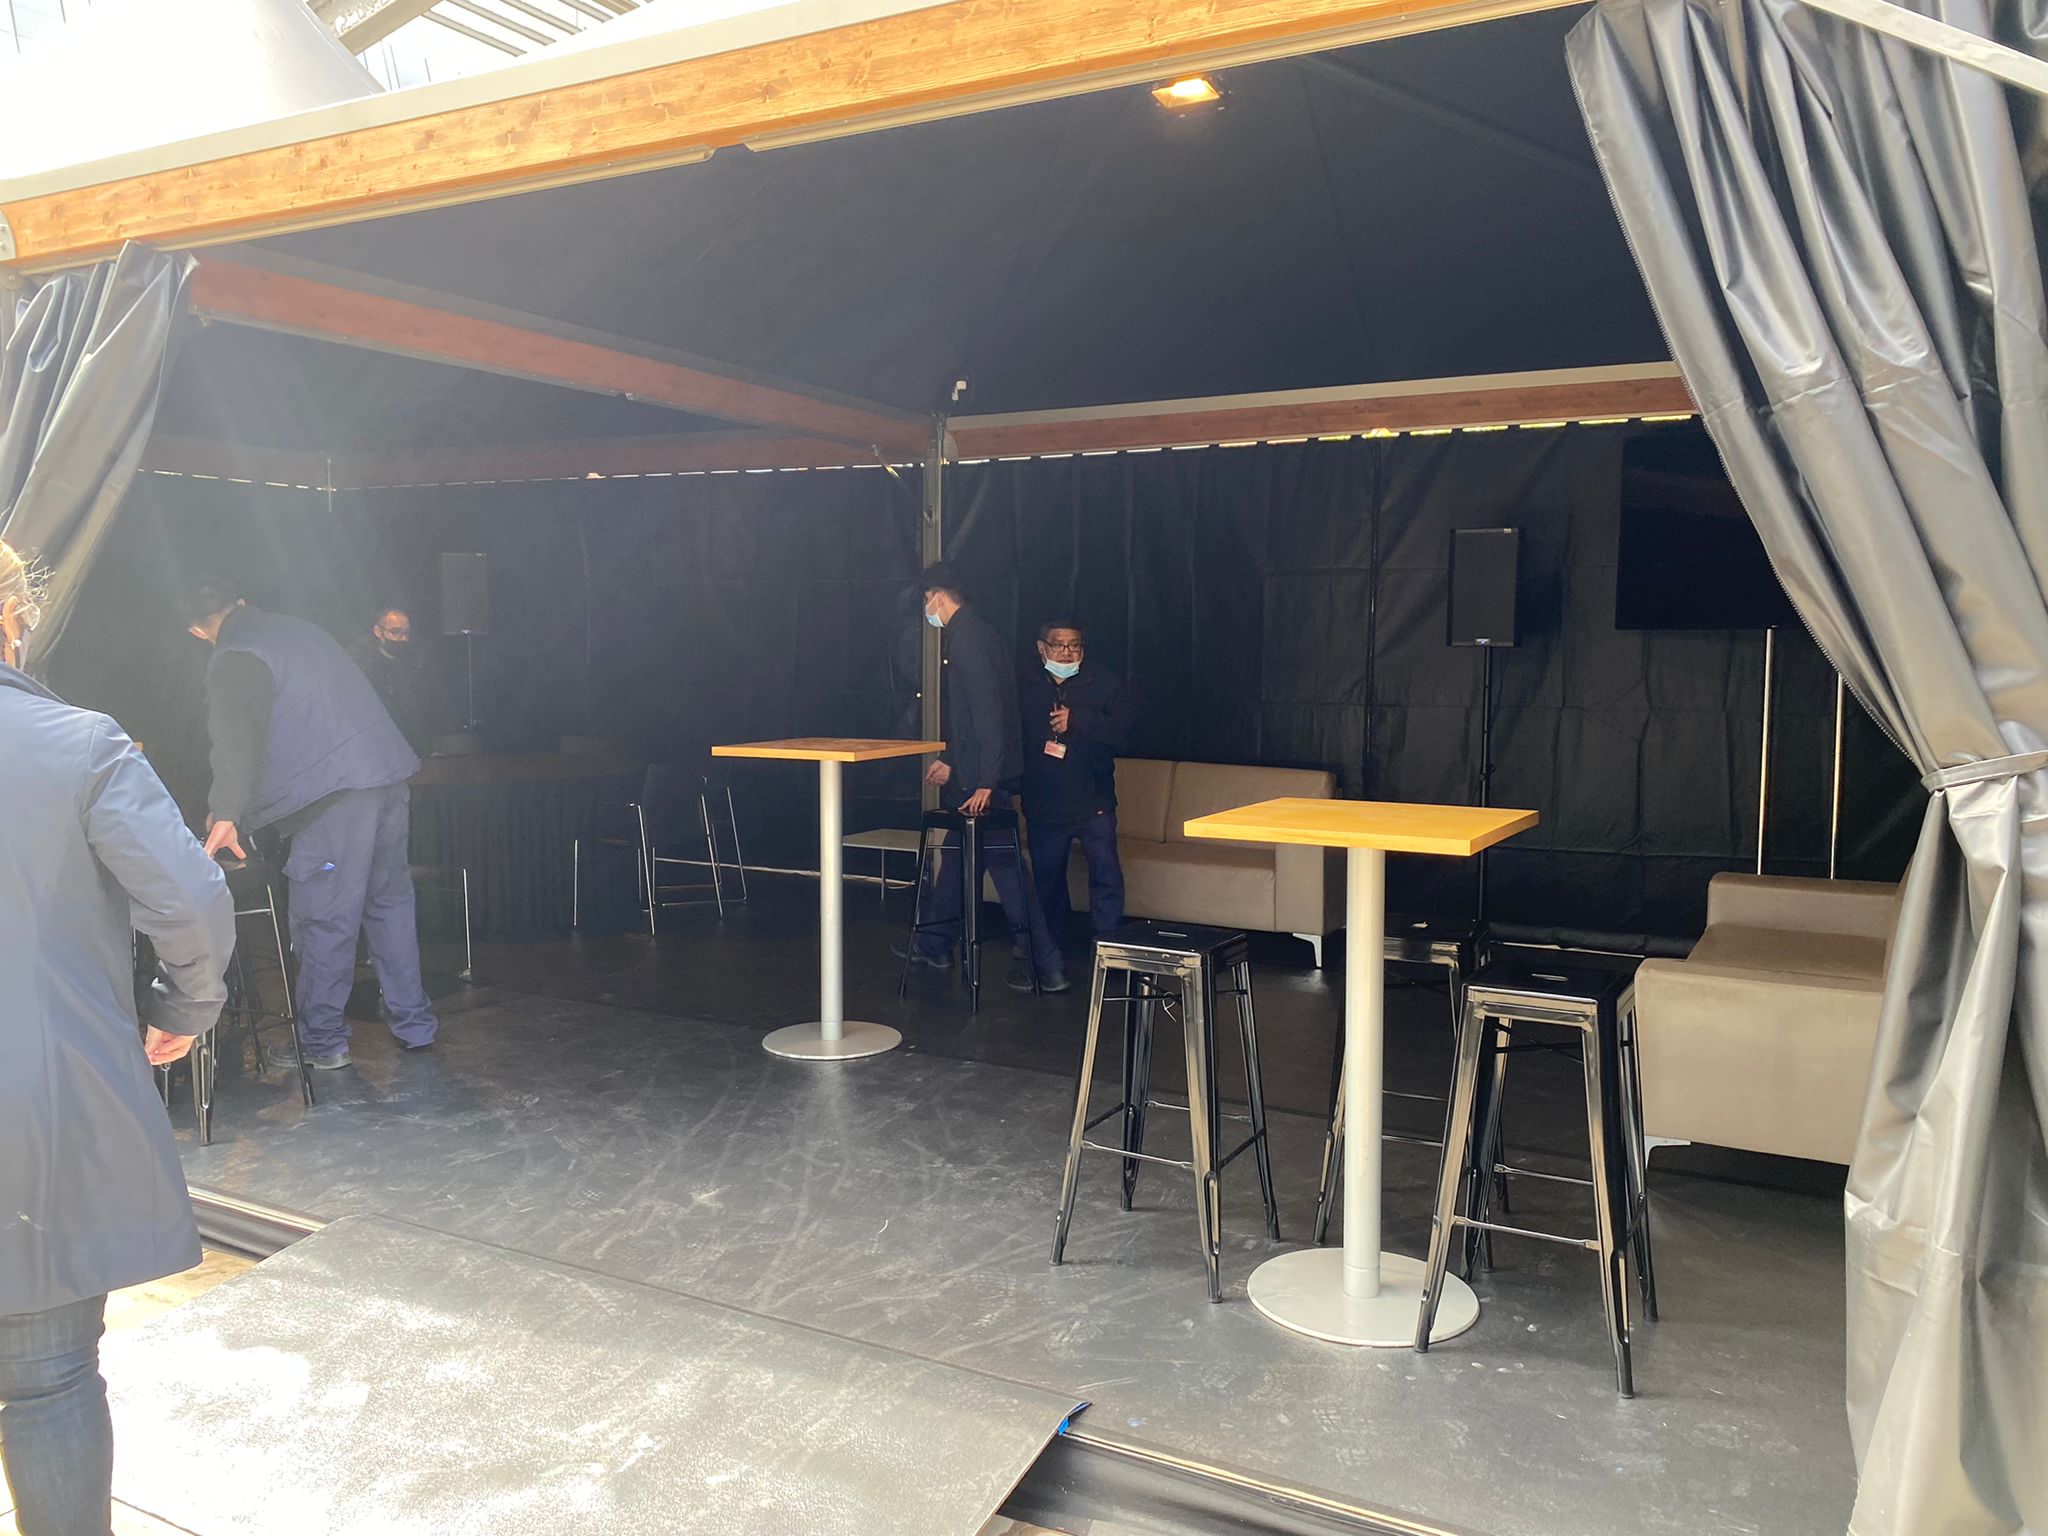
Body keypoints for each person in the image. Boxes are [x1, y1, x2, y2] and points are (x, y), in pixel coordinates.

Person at [0, 539, 235, 1536]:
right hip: (33, 1117)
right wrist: (181, 1009)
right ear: (15, 616)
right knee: (46, 1377)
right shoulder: (79, 747)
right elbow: (192, 901)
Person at [183, 585, 437, 1069]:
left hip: (334, 798)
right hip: (386, 778)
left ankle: (322, 1042)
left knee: (324, 916)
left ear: (197, 631)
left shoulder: (235, 654)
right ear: (240, 602)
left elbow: (235, 740)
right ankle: (415, 1025)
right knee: (389, 905)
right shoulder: (302, 631)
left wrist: (226, 812)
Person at [902, 564, 1068, 993]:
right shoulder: (980, 635)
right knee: (956, 857)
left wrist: (985, 782)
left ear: (938, 596)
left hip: (984, 781)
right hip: (976, 773)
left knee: (1008, 872)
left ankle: (1044, 962)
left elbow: (989, 715)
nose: (927, 610)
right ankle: (935, 942)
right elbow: (972, 719)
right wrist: (953, 761)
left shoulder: (968, 640)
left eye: (926, 601)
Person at [1019, 619, 1130, 938]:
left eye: (1075, 645)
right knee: (1047, 878)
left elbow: (1123, 735)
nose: (1067, 652)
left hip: (1094, 799)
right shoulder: (1025, 685)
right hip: (1044, 800)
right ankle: (1049, 950)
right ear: (1042, 648)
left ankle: (1107, 946)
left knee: (1106, 875)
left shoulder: (1104, 683)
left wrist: (1079, 719)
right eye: (1059, 645)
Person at [347, 604, 429, 754]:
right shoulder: (359, 659)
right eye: (395, 632)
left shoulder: (413, 657)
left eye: (406, 633)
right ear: (378, 632)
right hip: (370, 737)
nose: (403, 639)